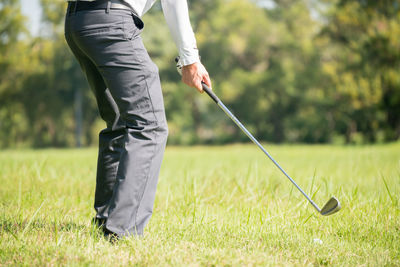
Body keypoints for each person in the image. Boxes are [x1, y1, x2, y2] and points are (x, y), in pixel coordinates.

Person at [64, 0, 211, 239]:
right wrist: (190, 60)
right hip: (111, 22)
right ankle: (124, 230)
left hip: (77, 21)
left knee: (120, 120)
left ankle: (107, 222)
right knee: (149, 125)